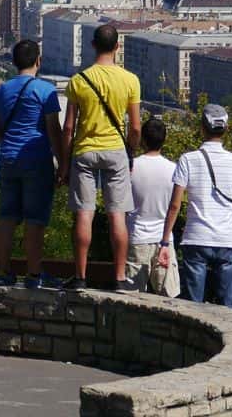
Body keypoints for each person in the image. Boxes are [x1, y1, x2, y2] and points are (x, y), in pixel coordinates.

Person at [60, 23, 141, 291]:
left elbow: (69, 126)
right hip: (115, 149)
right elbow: (137, 127)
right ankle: (119, 277)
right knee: (117, 215)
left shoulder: (79, 80)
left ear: (93, 45)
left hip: (84, 150)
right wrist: (132, 151)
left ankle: (81, 276)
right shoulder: (130, 80)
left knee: (84, 213)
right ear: (118, 46)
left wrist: (63, 163)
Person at [160, 104, 232, 308]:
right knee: (227, 306)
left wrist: (165, 240)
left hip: (197, 237)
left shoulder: (188, 159)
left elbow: (175, 205)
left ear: (202, 128)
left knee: (194, 306)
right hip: (227, 239)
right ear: (226, 130)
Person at [0, 39, 62, 288]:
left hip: (8, 158)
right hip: (36, 160)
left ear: (14, 62)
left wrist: (9, 142)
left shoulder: (3, 90)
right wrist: (63, 163)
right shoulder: (46, 90)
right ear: (38, 61)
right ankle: (33, 274)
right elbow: (54, 131)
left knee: (7, 216)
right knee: (34, 219)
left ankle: (3, 271)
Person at [126, 118, 180, 297]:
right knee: (169, 299)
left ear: (143, 139)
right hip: (164, 239)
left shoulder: (131, 167)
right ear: (164, 140)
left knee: (131, 301)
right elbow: (175, 205)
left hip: (136, 237)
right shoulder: (174, 169)